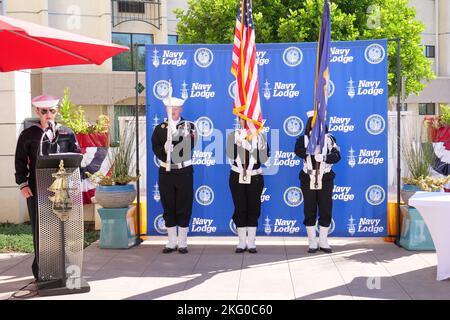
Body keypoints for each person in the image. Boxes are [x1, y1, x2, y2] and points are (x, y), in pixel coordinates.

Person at [14, 94, 81, 280]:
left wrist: (76, 182)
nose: (48, 115)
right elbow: (20, 161)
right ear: (37, 111)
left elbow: (77, 157)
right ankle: (42, 271)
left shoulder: (66, 132)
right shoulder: (28, 135)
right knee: (41, 229)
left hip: (62, 189)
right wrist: (22, 183)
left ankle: (64, 267)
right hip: (37, 189)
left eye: (52, 111)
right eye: (44, 111)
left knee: (64, 228)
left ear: (56, 111)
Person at [151, 96, 197, 254]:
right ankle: (171, 241)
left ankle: (183, 242)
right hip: (166, 171)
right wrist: (164, 149)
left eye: (176, 108)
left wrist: (175, 139)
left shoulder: (188, 126)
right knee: (168, 204)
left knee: (184, 205)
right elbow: (155, 147)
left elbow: (190, 145)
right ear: (166, 110)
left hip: (183, 171)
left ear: (181, 109)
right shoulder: (160, 128)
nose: (174, 111)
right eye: (171, 109)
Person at [294, 111, 341, 253]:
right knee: (309, 209)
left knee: (326, 208)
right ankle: (312, 241)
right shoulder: (302, 139)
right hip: (308, 177)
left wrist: (325, 157)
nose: (317, 125)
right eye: (314, 122)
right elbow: (298, 151)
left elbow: (337, 156)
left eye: (319, 122)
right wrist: (311, 149)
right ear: (310, 123)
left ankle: (323, 241)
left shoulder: (329, 139)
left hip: (325, 178)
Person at [227, 119, 269, 254]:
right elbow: (230, 154)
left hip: (255, 177)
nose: (245, 122)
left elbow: (264, 158)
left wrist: (250, 147)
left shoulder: (260, 137)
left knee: (254, 208)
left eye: (248, 119)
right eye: (242, 119)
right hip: (237, 176)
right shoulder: (233, 135)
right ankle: (241, 242)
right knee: (240, 208)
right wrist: (238, 142)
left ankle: (251, 242)